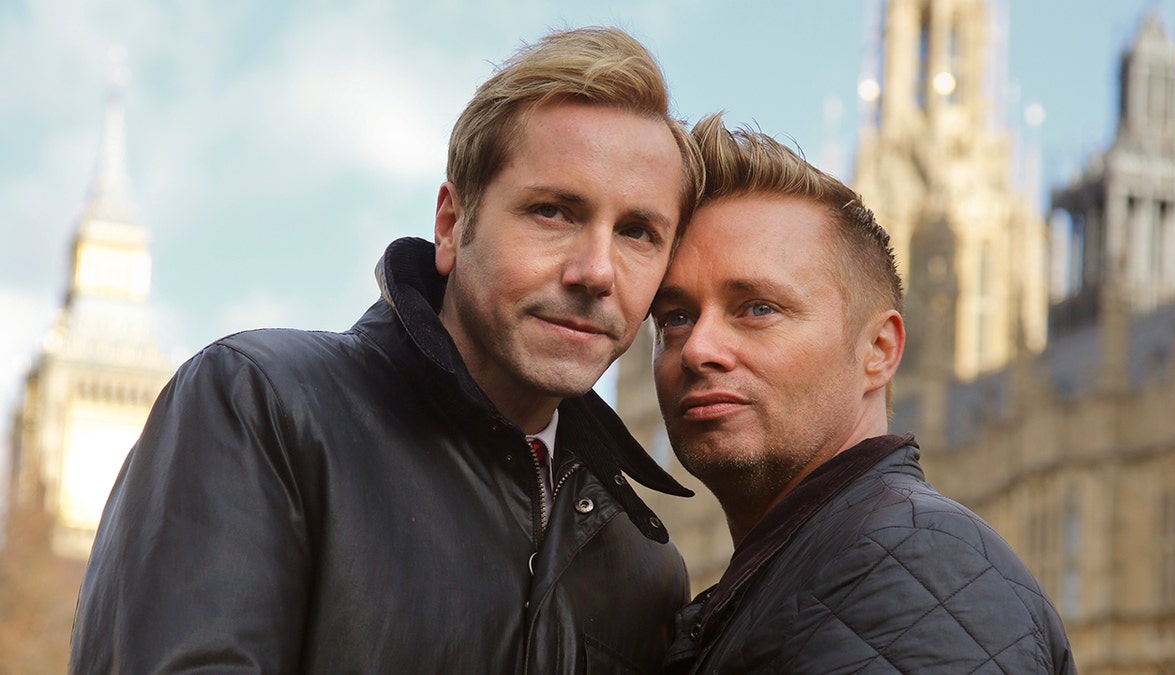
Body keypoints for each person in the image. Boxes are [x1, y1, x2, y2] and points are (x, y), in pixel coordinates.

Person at [70, 27, 704, 674]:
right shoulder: (258, 409)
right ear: (453, 225)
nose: (597, 270)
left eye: (637, 232)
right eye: (554, 212)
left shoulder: (647, 570)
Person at [650, 114, 1076, 674]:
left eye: (758, 308)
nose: (698, 347)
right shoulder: (813, 573)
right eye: (675, 317)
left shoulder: (917, 569)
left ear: (878, 350)